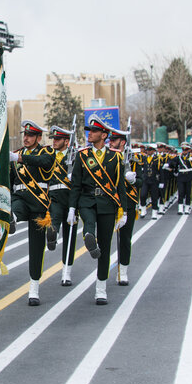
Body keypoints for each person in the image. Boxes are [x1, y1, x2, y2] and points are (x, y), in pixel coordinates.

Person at [68, 114, 127, 305]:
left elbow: (120, 186)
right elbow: (76, 184)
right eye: (89, 131)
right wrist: (71, 208)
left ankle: (101, 289)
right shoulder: (83, 155)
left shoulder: (116, 157)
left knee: (105, 246)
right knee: (88, 222)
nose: (90, 134)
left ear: (104, 135)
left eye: (93, 131)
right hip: (86, 200)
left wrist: (124, 211)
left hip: (107, 204)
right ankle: (88, 236)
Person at [9, 120, 56, 305]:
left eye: (30, 135)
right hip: (20, 197)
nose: (26, 138)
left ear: (38, 137)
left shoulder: (46, 151)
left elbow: (44, 162)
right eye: (24, 135)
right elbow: (10, 179)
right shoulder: (16, 154)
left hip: (38, 202)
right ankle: (11, 218)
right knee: (16, 209)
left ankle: (34, 287)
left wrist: (19, 158)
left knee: (36, 248)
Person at [45, 126, 78, 286]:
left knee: (70, 236)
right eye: (53, 139)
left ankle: (67, 271)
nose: (54, 142)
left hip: (71, 198)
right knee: (55, 218)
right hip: (55, 196)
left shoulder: (75, 156)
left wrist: (75, 173)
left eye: (58, 139)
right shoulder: (49, 155)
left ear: (67, 141)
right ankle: (52, 234)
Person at [108, 128, 141, 286]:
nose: (111, 142)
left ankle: (123, 271)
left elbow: (142, 181)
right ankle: (103, 270)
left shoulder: (134, 160)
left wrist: (133, 180)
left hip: (128, 202)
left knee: (125, 238)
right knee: (105, 237)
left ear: (122, 142)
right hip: (110, 201)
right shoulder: (108, 158)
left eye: (114, 140)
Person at [168, 142, 192, 215]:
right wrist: (173, 166)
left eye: (186, 150)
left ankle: (187, 208)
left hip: (189, 175)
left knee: (188, 192)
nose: (184, 151)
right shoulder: (179, 157)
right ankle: (180, 208)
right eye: (183, 150)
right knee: (181, 192)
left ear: (189, 150)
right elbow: (172, 162)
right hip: (181, 175)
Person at [139, 143, 161, 219]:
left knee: (154, 196)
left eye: (150, 150)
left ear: (153, 151)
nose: (148, 151)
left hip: (154, 180)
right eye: (147, 150)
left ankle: (154, 212)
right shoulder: (144, 158)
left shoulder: (157, 159)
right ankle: (143, 209)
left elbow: (160, 170)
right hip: (145, 180)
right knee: (142, 195)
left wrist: (161, 181)